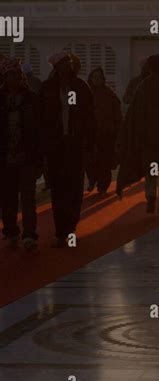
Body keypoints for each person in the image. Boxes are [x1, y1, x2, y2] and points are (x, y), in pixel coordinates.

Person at [38, 52, 95, 247]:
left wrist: (89, 141)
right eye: (65, 63)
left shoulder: (80, 87)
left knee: (75, 188)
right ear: (57, 66)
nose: (69, 66)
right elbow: (40, 119)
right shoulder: (47, 89)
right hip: (56, 145)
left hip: (75, 144)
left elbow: (89, 116)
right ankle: (61, 231)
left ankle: (71, 227)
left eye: (70, 63)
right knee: (58, 189)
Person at [117, 53, 159, 216]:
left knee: (151, 170)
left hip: (148, 139)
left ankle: (150, 194)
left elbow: (135, 114)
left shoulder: (143, 87)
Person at [0, 58, 41, 251]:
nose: (14, 79)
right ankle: (11, 230)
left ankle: (29, 234)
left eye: (17, 75)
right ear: (5, 77)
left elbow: (39, 129)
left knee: (27, 197)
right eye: (10, 75)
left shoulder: (32, 98)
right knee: (7, 197)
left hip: (27, 156)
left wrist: (37, 156)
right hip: (5, 157)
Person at [86, 67, 122, 194]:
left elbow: (117, 113)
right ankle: (92, 179)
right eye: (95, 77)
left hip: (106, 133)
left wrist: (117, 131)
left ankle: (103, 185)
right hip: (90, 133)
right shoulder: (86, 93)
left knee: (105, 161)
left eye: (99, 77)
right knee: (90, 161)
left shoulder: (109, 94)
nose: (97, 79)